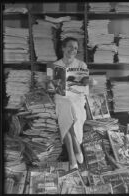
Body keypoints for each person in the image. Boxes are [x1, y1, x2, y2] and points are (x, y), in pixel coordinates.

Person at [50, 37, 89, 170]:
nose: (73, 50)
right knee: (65, 109)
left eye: (76, 48)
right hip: (60, 97)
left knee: (70, 112)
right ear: (63, 48)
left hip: (76, 98)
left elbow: (84, 88)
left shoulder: (81, 65)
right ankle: (75, 151)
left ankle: (73, 155)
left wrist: (76, 87)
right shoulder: (53, 65)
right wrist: (51, 85)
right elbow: (49, 85)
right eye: (70, 47)